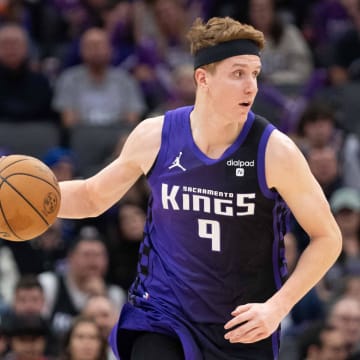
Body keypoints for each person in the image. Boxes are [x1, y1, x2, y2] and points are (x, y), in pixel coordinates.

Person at [56, 16, 342, 360]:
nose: (251, 86)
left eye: (255, 73)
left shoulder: (274, 151)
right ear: (202, 78)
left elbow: (328, 237)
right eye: (238, 73)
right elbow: (91, 196)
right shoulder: (156, 136)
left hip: (240, 324)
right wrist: (28, 202)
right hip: (162, 313)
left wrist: (277, 307)